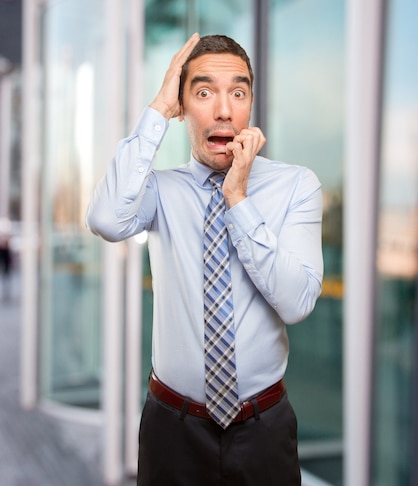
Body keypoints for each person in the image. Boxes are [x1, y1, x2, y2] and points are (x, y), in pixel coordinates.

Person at [85, 33, 323, 484]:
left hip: (263, 429)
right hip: (171, 429)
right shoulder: (160, 189)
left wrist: (238, 200)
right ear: (184, 106)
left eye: (237, 92)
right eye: (203, 92)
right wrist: (157, 109)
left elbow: (297, 303)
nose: (223, 110)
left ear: (251, 103)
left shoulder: (296, 186)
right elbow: (105, 219)